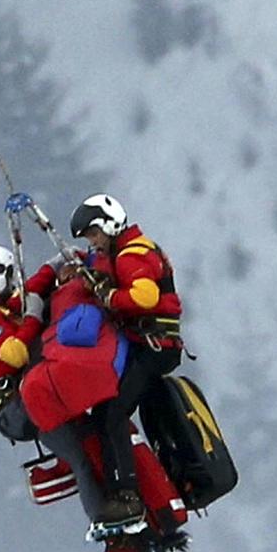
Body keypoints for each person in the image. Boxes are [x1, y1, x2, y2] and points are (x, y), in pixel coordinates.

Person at [0, 244, 104, 520]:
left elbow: (31, 292)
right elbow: (16, 353)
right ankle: (106, 522)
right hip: (15, 409)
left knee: (93, 440)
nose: (13, 281)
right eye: (7, 275)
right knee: (81, 459)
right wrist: (32, 316)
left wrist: (55, 264)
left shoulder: (1, 307)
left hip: (33, 394)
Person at [68, 193, 185, 531]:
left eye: (93, 234)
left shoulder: (132, 255)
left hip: (154, 349)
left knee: (113, 414)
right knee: (107, 411)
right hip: (149, 347)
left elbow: (144, 296)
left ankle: (128, 497)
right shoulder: (129, 251)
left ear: (108, 225)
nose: (93, 242)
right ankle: (126, 490)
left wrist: (109, 297)